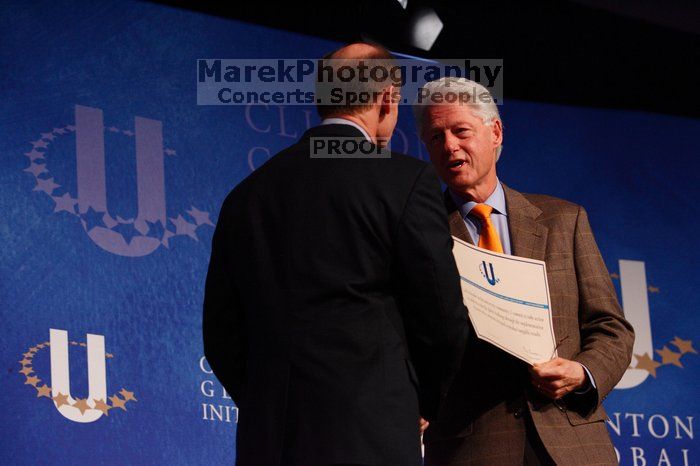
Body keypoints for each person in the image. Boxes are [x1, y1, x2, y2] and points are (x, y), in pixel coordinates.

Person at [203, 44, 469, 466]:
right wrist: (420, 401)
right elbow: (440, 314)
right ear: (387, 99)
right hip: (370, 434)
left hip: (269, 442)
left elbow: (220, 335)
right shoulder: (405, 181)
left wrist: (269, 403)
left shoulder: (246, 196)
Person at [414, 77, 634, 465]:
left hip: (572, 444)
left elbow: (611, 328)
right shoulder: (416, 234)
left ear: (495, 132)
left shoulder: (564, 221)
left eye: (460, 131)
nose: (449, 145)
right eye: (435, 137)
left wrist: (583, 372)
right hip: (470, 447)